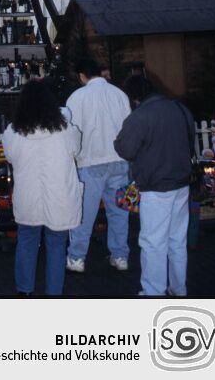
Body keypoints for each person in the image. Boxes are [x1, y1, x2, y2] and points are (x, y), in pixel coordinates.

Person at [114, 72, 195, 296]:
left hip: (155, 187)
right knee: (177, 241)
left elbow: (125, 149)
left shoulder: (140, 116)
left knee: (153, 242)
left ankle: (152, 292)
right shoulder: (179, 108)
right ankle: (178, 288)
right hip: (181, 184)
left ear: (134, 97)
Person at [1, 79, 82, 296]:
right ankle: (53, 294)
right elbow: (77, 148)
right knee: (56, 246)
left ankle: (24, 290)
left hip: (28, 198)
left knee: (27, 242)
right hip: (60, 197)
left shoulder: (14, 132)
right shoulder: (65, 129)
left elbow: (9, 156)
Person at [65, 57, 131, 273]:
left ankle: (77, 257)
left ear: (82, 76)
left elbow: (72, 131)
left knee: (84, 214)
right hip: (119, 161)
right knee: (119, 212)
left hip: (90, 162)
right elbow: (128, 126)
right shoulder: (119, 94)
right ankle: (120, 255)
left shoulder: (77, 97)